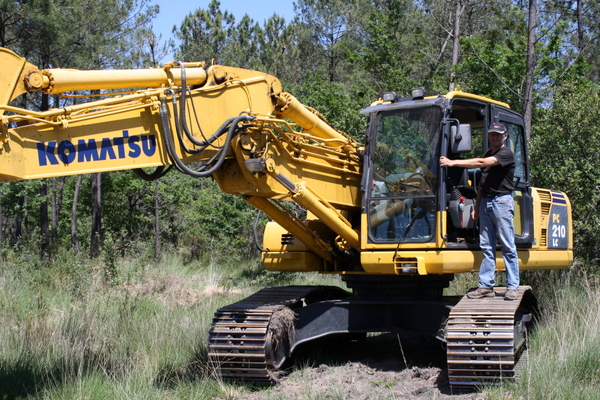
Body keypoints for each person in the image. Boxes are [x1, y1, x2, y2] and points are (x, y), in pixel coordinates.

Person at [439, 123, 520, 300]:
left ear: (504, 136)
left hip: (502, 202)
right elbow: (482, 184)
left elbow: (482, 163)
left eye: (498, 135)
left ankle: (513, 286)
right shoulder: (488, 153)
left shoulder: (505, 154)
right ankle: (485, 285)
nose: (494, 138)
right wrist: (476, 208)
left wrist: (452, 163)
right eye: (492, 135)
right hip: (485, 204)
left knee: (507, 245)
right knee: (486, 246)